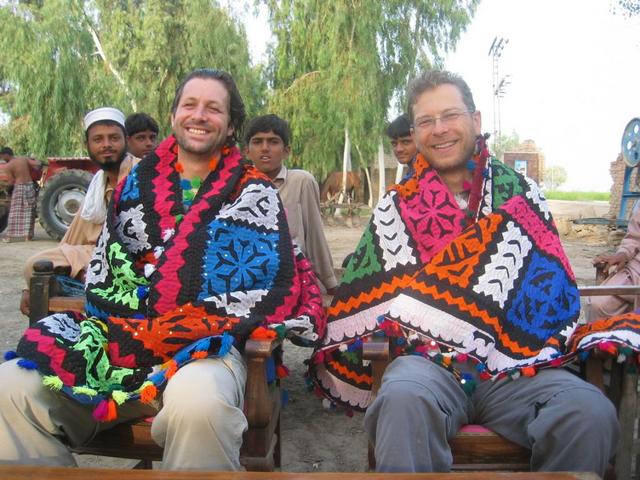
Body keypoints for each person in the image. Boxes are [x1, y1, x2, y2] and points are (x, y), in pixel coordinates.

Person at [0, 69, 325, 470]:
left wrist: (174, 319)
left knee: (198, 402)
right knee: (11, 387)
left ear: (231, 124)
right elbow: (109, 268)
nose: (199, 115)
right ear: (174, 116)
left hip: (208, 345)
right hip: (118, 338)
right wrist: (134, 318)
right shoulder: (134, 184)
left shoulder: (255, 193)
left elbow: (262, 285)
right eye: (190, 105)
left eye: (213, 108)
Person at [310, 70, 625, 476]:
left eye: (450, 115)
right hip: (428, 366)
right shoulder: (395, 208)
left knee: (590, 412)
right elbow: (369, 291)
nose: (439, 130)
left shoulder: (522, 192)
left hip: (518, 365)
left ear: (476, 121)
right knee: (402, 399)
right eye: (425, 121)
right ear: (416, 131)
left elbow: (554, 287)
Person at [20, 108, 139, 315]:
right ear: (88, 145)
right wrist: (30, 286)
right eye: (98, 139)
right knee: (34, 265)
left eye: (113, 138)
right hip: (96, 254)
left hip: (133, 256)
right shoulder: (97, 185)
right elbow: (72, 238)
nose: (106, 145)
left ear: (125, 141)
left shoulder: (142, 175)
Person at [244, 114, 338, 295]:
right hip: (250, 282)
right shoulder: (237, 187)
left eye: (273, 142)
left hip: (293, 278)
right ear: (246, 151)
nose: (265, 148)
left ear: (286, 150)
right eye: (257, 142)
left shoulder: (301, 181)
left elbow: (314, 235)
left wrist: (330, 283)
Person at [588, 203, 640, 322]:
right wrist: (623, 254)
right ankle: (599, 339)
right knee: (599, 304)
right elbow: (634, 239)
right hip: (636, 271)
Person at [1, 147, 42, 242]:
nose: (2, 158)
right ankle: (28, 236)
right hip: (30, 186)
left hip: (19, 187)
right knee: (29, 212)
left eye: (2, 156)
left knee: (14, 213)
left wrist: (7, 191)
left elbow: (11, 182)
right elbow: (38, 164)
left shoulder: (8, 166)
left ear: (6, 155)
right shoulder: (23, 159)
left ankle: (9, 237)